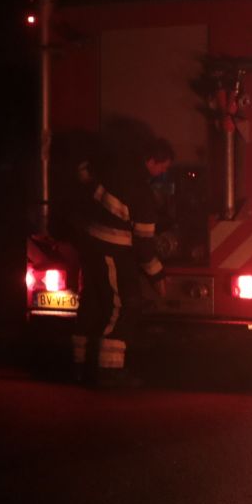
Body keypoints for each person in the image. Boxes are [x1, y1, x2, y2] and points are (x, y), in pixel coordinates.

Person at [72, 138, 172, 386]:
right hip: (113, 253)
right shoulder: (142, 194)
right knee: (123, 306)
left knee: (92, 307)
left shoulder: (112, 171)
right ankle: (109, 371)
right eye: (163, 167)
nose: (164, 172)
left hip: (89, 247)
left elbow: (85, 176)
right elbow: (144, 247)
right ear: (150, 161)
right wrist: (158, 277)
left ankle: (78, 367)